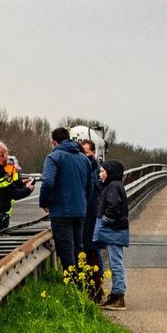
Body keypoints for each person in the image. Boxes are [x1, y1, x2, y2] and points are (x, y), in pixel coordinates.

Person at [39, 127, 95, 270]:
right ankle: (80, 284)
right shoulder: (84, 159)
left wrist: (44, 202)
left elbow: (47, 182)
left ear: (54, 142)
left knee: (65, 250)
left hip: (61, 211)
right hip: (80, 210)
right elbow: (90, 187)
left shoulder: (54, 158)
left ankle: (71, 283)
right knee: (78, 248)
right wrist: (84, 203)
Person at [94, 160, 129, 310]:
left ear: (111, 172)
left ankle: (118, 296)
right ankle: (116, 295)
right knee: (115, 262)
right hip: (116, 230)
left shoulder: (114, 186)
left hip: (114, 230)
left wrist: (104, 220)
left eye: (102, 171)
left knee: (116, 263)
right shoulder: (113, 185)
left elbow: (113, 206)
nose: (100, 174)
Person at [78, 139, 105, 301]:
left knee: (92, 251)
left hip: (91, 216)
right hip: (90, 214)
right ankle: (95, 288)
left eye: (87, 153)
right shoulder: (92, 166)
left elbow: (93, 192)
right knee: (91, 252)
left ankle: (96, 290)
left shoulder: (93, 167)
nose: (85, 157)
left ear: (93, 153)